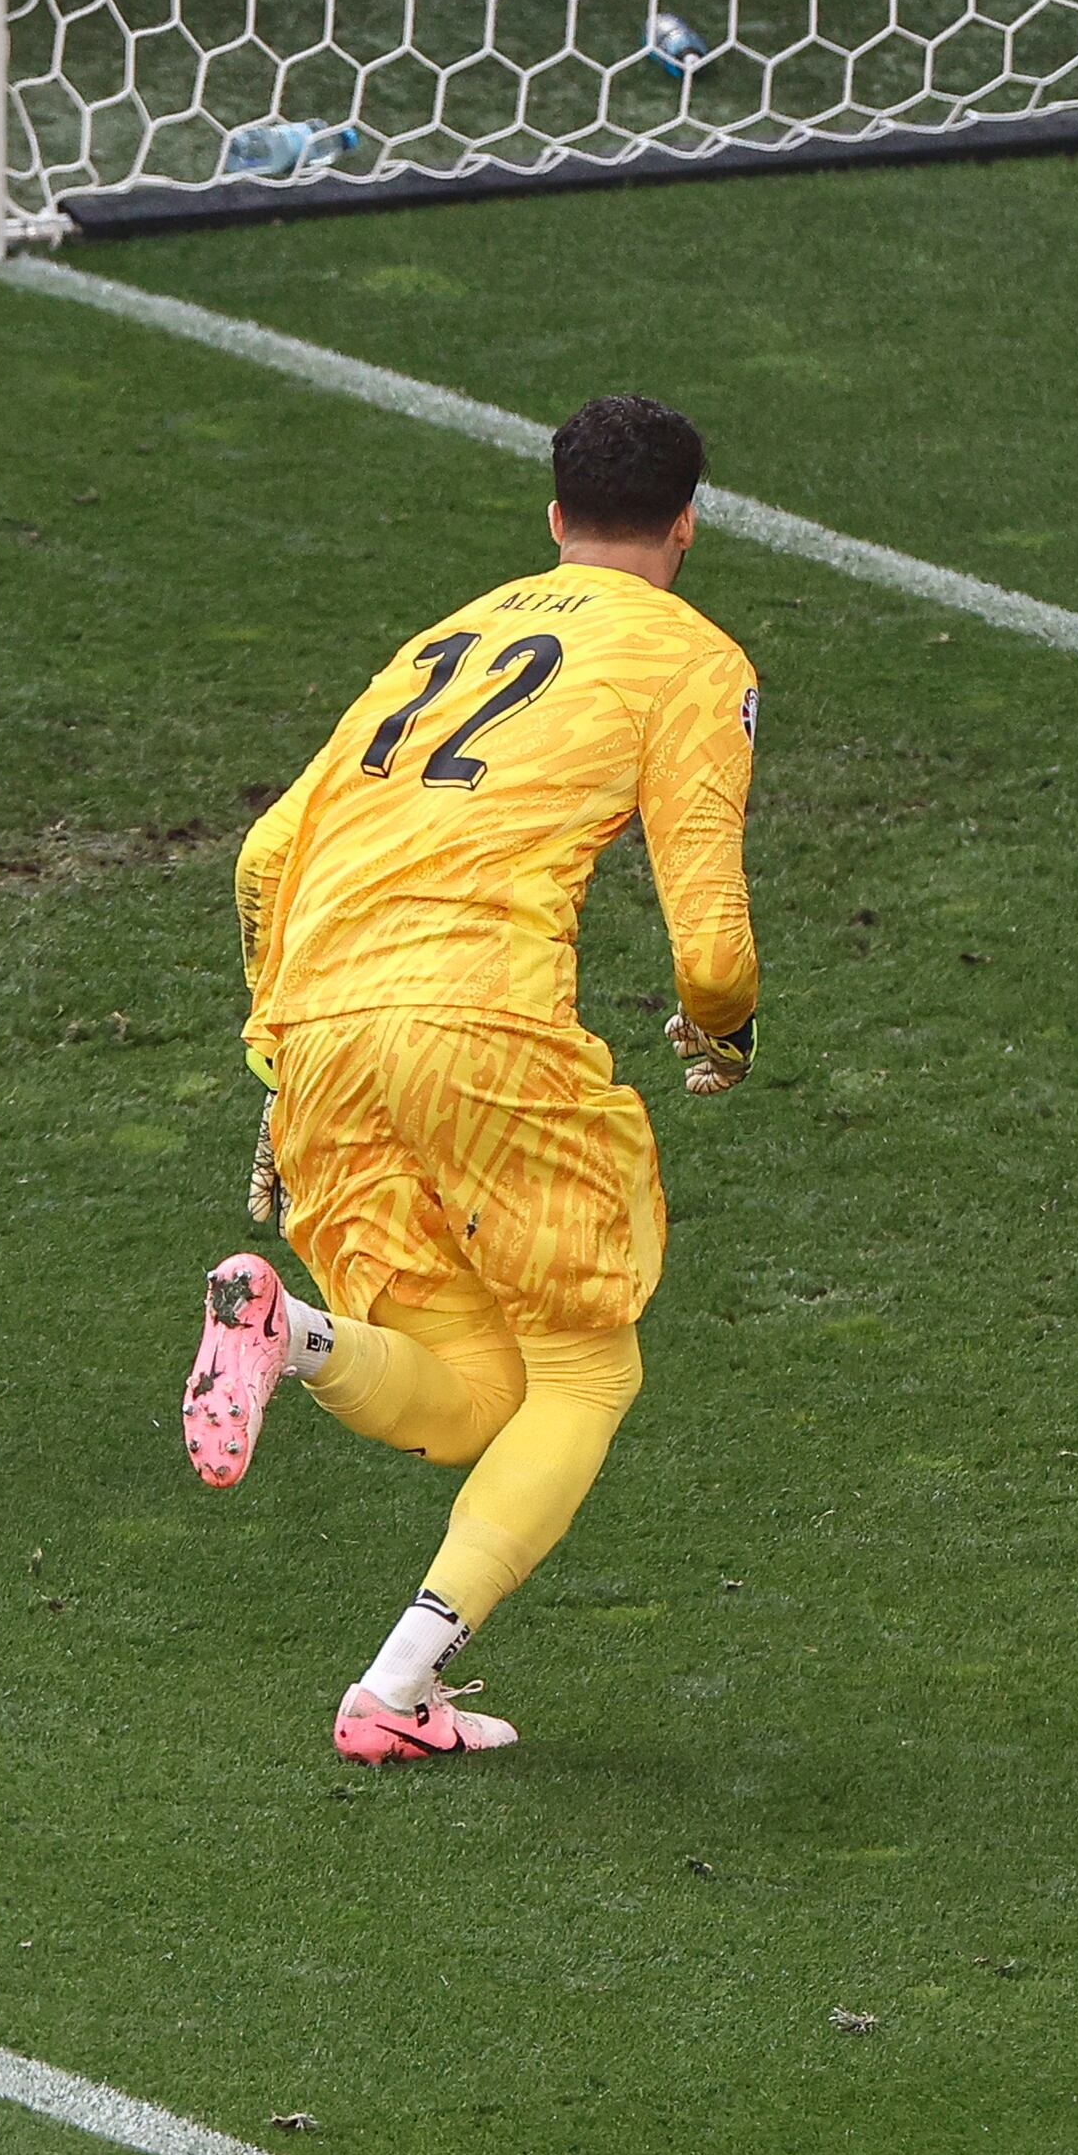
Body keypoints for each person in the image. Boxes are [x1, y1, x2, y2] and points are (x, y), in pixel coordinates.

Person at [179, 395, 760, 1760]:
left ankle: (287, 1331)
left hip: (322, 1031)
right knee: (585, 1372)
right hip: (480, 1024)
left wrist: (278, 1049)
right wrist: (720, 1033)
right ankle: (390, 1688)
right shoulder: (691, 658)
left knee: (477, 1388)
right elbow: (716, 946)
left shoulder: (446, 635)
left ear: (554, 519)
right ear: (687, 521)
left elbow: (267, 852)